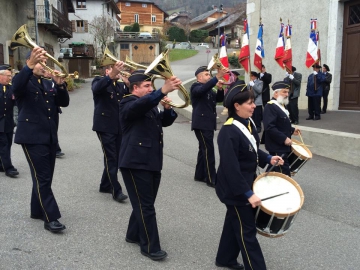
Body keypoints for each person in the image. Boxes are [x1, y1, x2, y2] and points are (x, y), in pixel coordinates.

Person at [215, 80, 284, 270]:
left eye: (254, 101)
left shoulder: (248, 123)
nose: (254, 106)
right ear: (237, 106)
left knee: (234, 222)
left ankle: (225, 258)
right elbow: (230, 168)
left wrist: (268, 158)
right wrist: (247, 193)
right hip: (235, 190)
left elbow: (252, 150)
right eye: (250, 103)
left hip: (246, 183)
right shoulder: (228, 132)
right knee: (247, 231)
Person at [119, 72, 180, 261]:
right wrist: (162, 91)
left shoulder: (149, 104)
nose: (150, 89)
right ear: (135, 88)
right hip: (135, 162)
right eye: (146, 86)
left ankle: (132, 234)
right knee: (146, 206)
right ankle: (150, 247)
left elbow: (163, 122)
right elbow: (138, 107)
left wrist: (168, 109)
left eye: (151, 86)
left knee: (144, 202)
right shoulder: (127, 103)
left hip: (151, 160)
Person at [12, 47, 69, 233]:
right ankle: (51, 218)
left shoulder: (47, 83)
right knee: (43, 177)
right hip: (31, 137)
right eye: (39, 62)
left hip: (49, 136)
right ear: (30, 63)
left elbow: (64, 103)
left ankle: (36, 210)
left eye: (44, 62)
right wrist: (29, 65)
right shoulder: (23, 81)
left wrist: (60, 85)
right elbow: (16, 86)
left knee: (44, 177)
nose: (43, 65)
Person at [91, 61, 129, 203]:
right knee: (111, 157)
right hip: (104, 126)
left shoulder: (119, 85)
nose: (118, 73)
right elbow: (97, 89)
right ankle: (116, 190)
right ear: (107, 71)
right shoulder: (99, 81)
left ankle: (105, 185)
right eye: (114, 71)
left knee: (116, 157)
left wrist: (129, 85)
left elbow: (129, 99)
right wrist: (112, 76)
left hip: (118, 126)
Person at [190, 66, 227, 187]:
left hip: (208, 123)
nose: (209, 76)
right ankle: (211, 178)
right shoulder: (195, 87)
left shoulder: (209, 89)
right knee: (208, 150)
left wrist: (220, 89)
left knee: (203, 149)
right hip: (201, 124)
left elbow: (219, 99)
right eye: (206, 75)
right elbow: (202, 90)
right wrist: (217, 77)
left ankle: (199, 174)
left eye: (209, 74)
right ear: (199, 77)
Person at [263, 81, 301, 177]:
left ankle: (261, 185)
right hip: (276, 145)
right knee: (283, 172)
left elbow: (281, 124)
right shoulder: (270, 106)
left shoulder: (280, 105)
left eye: (287, 92)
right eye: (284, 92)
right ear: (276, 93)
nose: (287, 94)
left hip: (281, 145)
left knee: (273, 169)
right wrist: (284, 138)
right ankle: (286, 190)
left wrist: (292, 130)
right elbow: (269, 127)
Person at [0, 64, 18, 177]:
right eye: (8, 76)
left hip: (8, 122)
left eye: (10, 76)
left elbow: (16, 103)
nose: (10, 78)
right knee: (4, 144)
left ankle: (1, 164)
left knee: (8, 143)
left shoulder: (11, 88)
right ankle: (9, 168)